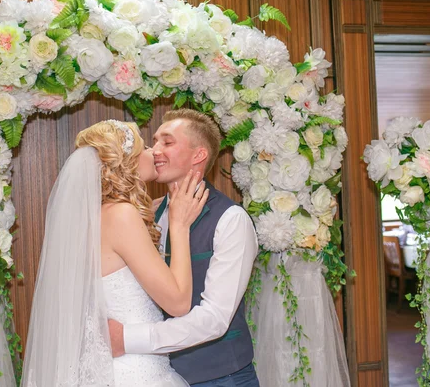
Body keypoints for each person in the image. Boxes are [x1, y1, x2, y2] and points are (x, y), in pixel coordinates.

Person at [21, 119, 209, 387]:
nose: (153, 153)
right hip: (134, 373)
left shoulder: (91, 219)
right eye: (144, 148)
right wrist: (179, 225)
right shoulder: (122, 216)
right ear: (126, 162)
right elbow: (178, 303)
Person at [109, 109, 260, 386]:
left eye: (167, 142)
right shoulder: (146, 216)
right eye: (154, 142)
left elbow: (214, 318)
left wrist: (126, 338)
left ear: (198, 155)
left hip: (220, 377)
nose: (155, 150)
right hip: (155, 373)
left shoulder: (230, 220)